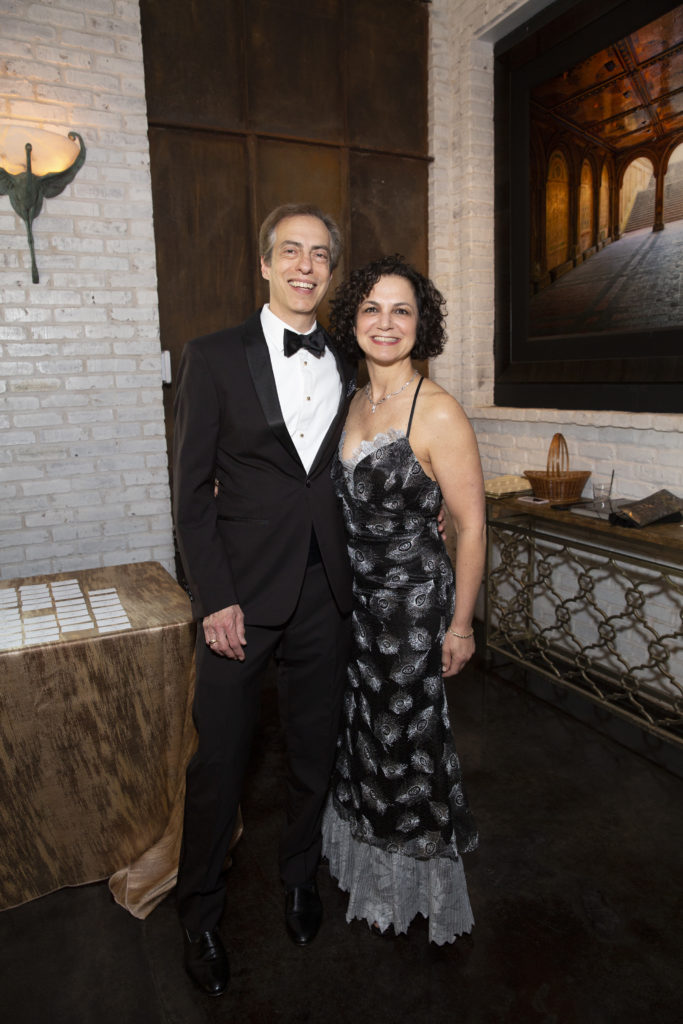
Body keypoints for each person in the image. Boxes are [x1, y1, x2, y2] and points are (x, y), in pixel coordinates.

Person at [172, 203, 356, 996]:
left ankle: (298, 876)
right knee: (220, 762)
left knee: (313, 753)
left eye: (319, 254)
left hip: (326, 591)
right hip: (239, 598)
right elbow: (190, 496)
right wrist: (213, 597)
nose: (305, 266)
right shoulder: (212, 356)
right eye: (291, 251)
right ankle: (199, 914)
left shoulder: (352, 358)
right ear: (264, 263)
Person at [322, 254, 486, 945]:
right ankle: (366, 863)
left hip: (412, 613)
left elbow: (472, 523)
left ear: (422, 326)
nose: (384, 323)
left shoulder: (438, 410)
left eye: (401, 311)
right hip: (351, 607)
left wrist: (460, 626)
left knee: (408, 751)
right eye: (371, 309)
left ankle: (414, 883)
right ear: (352, 320)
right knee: (360, 739)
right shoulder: (351, 398)